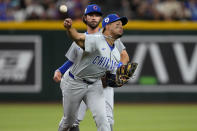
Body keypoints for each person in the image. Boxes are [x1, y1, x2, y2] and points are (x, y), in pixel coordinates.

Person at [57, 7, 128, 131]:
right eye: (117, 25)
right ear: (108, 26)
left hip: (95, 85)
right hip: (75, 82)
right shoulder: (95, 40)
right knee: (69, 122)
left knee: (104, 122)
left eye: (121, 25)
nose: (121, 27)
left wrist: (117, 79)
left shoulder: (116, 54)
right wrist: (69, 28)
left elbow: (108, 79)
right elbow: (77, 37)